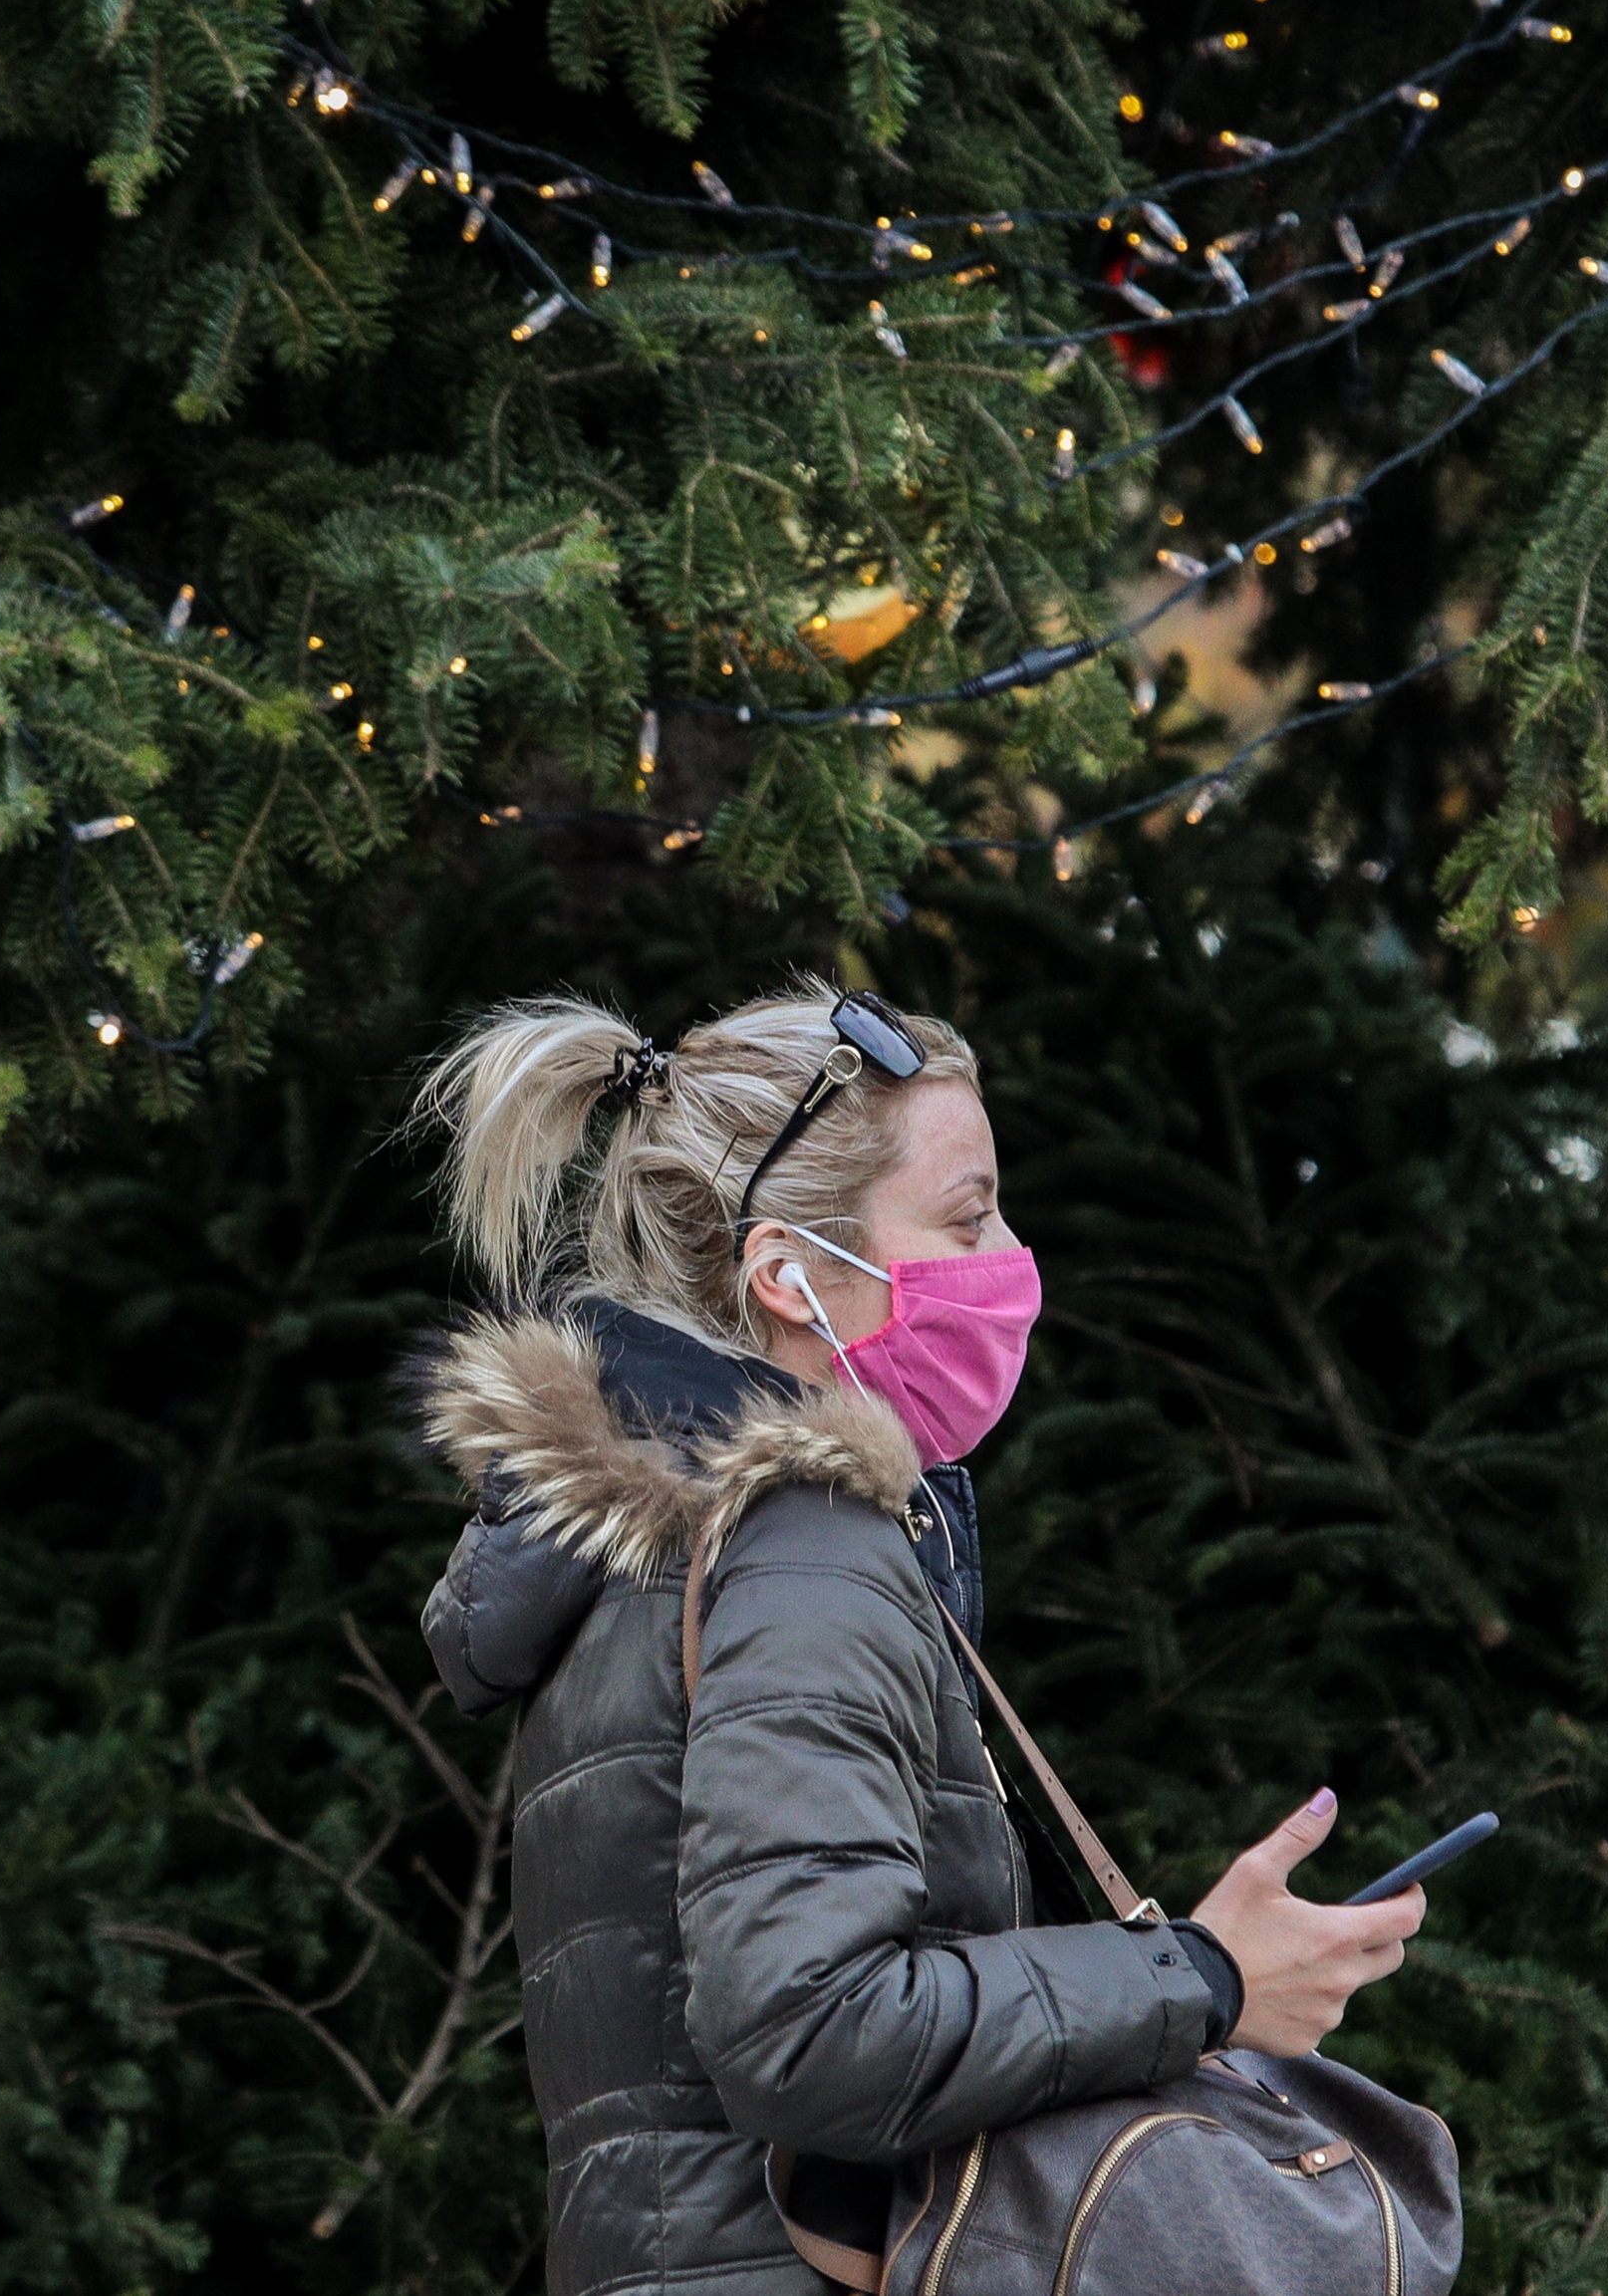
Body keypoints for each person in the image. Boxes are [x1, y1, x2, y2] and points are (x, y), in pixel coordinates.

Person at [409, 982, 1433, 2296]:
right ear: (785, 1272)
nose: (1008, 1254)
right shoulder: (799, 1553)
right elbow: (814, 2030)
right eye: (967, 1214)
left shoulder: (658, 1551)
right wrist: (1205, 1975)